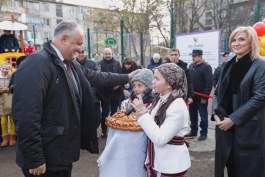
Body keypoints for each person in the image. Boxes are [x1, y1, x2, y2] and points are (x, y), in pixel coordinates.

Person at [12, 21, 138, 177]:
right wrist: (34, 158)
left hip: (62, 155)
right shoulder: (36, 64)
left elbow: (97, 77)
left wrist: (127, 76)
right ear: (64, 38)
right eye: (78, 43)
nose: (80, 49)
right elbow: (25, 115)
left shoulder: (71, 64)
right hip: (45, 158)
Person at [212, 26, 265, 177]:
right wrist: (216, 113)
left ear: (252, 41)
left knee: (249, 170)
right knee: (231, 168)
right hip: (225, 128)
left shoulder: (260, 65)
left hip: (248, 129)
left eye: (241, 39)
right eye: (234, 40)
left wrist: (233, 119)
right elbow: (217, 92)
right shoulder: (227, 65)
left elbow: (260, 97)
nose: (236, 43)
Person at [131, 63, 191, 177]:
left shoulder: (177, 106)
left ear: (169, 83)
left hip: (171, 164)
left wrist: (142, 112)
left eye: (157, 79)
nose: (153, 81)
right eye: (154, 77)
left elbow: (160, 138)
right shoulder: (161, 98)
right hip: (159, 160)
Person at [98, 69, 154, 177]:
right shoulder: (126, 103)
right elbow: (121, 120)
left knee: (139, 166)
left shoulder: (152, 105)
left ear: (149, 87)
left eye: (140, 85)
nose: (136, 89)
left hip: (142, 144)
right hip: (125, 144)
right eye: (134, 85)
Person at [186, 49, 213, 140]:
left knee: (203, 115)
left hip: (201, 97)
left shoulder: (206, 67)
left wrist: (204, 96)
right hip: (192, 97)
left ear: (200, 56)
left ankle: (203, 133)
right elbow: (188, 81)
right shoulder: (191, 66)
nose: (192, 58)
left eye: (194, 56)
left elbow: (209, 83)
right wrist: (189, 94)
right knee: (192, 114)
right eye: (192, 56)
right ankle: (193, 131)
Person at [98, 48, 123, 138]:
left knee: (114, 113)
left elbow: (121, 76)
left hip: (115, 92)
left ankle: (114, 131)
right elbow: (98, 78)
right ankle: (104, 131)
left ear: (112, 54)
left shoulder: (117, 63)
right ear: (103, 55)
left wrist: (119, 85)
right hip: (104, 93)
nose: (107, 55)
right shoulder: (99, 64)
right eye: (106, 54)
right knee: (104, 113)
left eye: (109, 54)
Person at [76, 49, 101, 128]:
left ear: (86, 53)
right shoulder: (72, 64)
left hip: (92, 94)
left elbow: (97, 78)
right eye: (79, 52)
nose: (81, 54)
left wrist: (92, 91)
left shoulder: (92, 64)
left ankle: (93, 132)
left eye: (82, 52)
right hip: (78, 95)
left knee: (96, 116)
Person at [0, 62, 15, 147]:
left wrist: (8, 89)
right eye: (3, 68)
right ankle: (5, 139)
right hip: (1, 102)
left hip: (10, 101)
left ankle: (12, 137)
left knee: (13, 121)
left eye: (7, 68)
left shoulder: (12, 77)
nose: (5, 70)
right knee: (3, 122)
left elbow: (14, 86)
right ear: (0, 68)